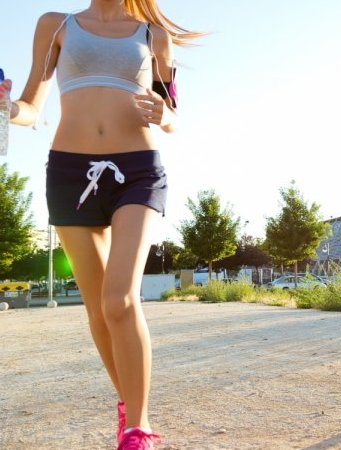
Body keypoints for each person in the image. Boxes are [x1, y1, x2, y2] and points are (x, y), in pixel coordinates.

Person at [0, 1, 201, 448]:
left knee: (120, 298)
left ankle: (138, 429)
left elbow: (172, 115)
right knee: (97, 309)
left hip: (137, 170)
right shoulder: (56, 26)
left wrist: (163, 113)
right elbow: (33, 104)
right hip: (70, 173)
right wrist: (8, 110)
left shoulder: (153, 35)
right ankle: (129, 405)